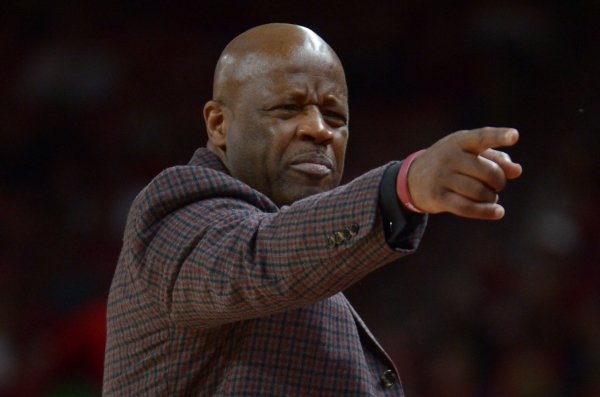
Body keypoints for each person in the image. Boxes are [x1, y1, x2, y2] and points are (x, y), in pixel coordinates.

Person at [103, 23, 522, 396]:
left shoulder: (309, 260)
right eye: (287, 108)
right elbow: (256, 257)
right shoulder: (177, 209)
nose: (319, 130)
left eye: (335, 116)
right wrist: (402, 187)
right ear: (218, 124)